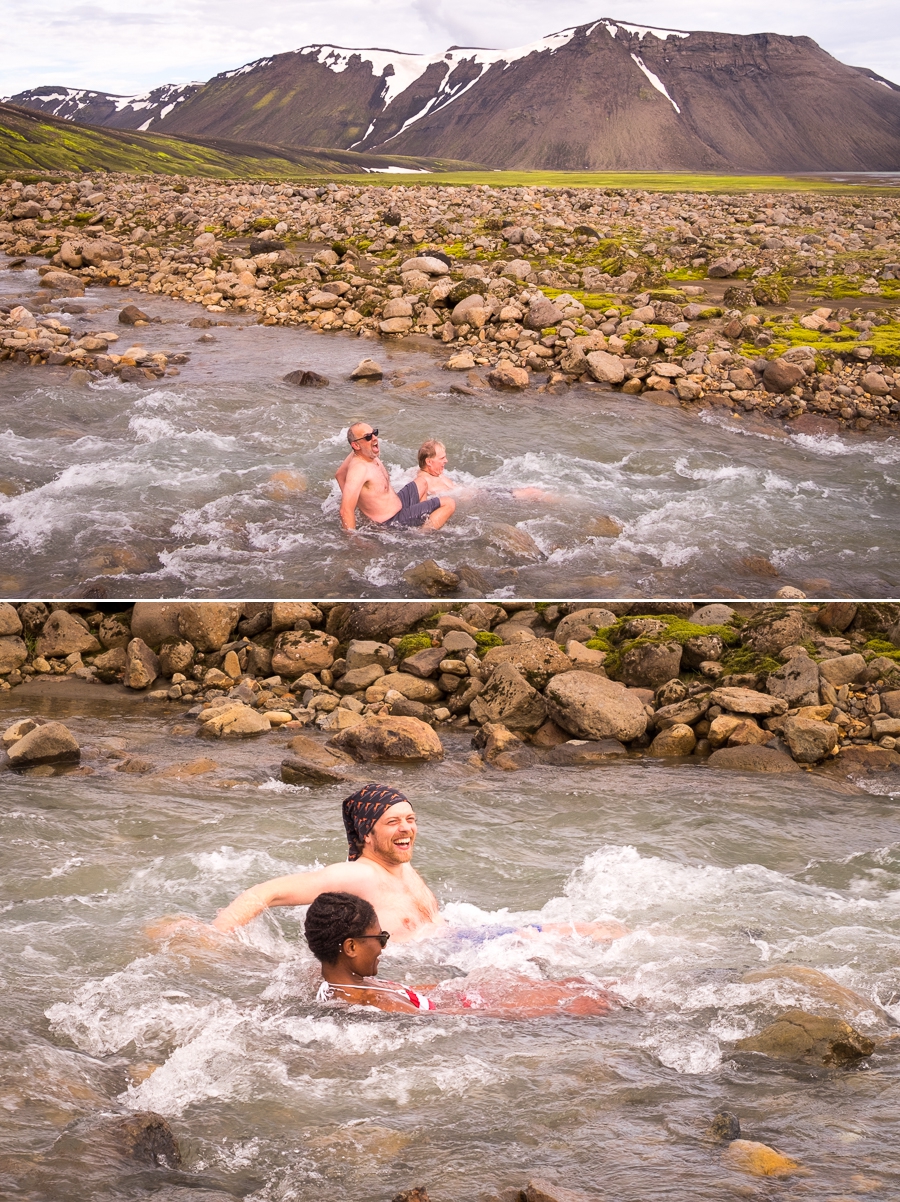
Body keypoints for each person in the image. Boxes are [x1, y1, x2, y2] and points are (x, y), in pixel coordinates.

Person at [211, 784, 628, 945]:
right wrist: (214, 938)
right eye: (392, 822)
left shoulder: (402, 866)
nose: (406, 828)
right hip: (436, 965)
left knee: (593, 931)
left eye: (410, 819)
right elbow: (264, 893)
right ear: (367, 834)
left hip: (464, 940)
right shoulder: (356, 874)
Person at [305, 890, 617, 1018]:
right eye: (381, 937)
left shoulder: (334, 984)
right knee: (588, 996)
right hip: (473, 1009)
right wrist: (542, 1012)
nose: (384, 946)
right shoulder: (379, 1002)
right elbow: (454, 1023)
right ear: (350, 947)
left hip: (462, 997)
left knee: (578, 983)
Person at [335, 422, 455, 531]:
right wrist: (354, 541)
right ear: (356, 445)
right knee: (449, 503)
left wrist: (362, 504)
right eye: (368, 437)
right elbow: (345, 510)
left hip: (398, 504)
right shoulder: (359, 469)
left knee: (422, 482)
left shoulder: (365, 453)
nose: (374, 438)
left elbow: (339, 475)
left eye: (374, 433)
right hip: (391, 522)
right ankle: (421, 536)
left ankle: (421, 520)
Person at [414, 438, 558, 505]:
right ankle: (562, 504)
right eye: (442, 458)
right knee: (532, 493)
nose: (446, 461)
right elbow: (423, 506)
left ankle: (559, 502)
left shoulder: (434, 474)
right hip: (484, 499)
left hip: (483, 491)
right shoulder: (424, 481)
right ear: (429, 461)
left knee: (532, 491)